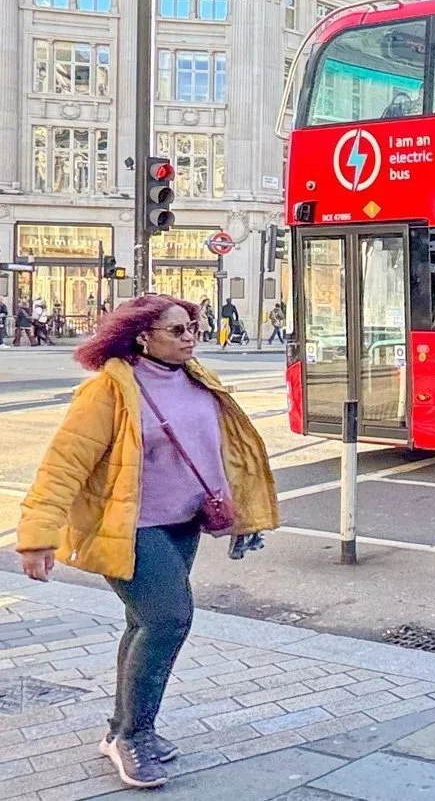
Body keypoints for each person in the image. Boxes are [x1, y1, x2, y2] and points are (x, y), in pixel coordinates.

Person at [15, 295, 279, 789]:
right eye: (177, 330)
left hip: (183, 523)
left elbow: (227, 451)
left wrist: (244, 512)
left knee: (144, 624)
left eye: (192, 328)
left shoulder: (196, 377)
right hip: (132, 528)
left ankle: (123, 728)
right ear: (143, 336)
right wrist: (37, 537)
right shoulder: (110, 391)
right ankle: (133, 736)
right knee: (168, 620)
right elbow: (64, 465)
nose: (190, 337)